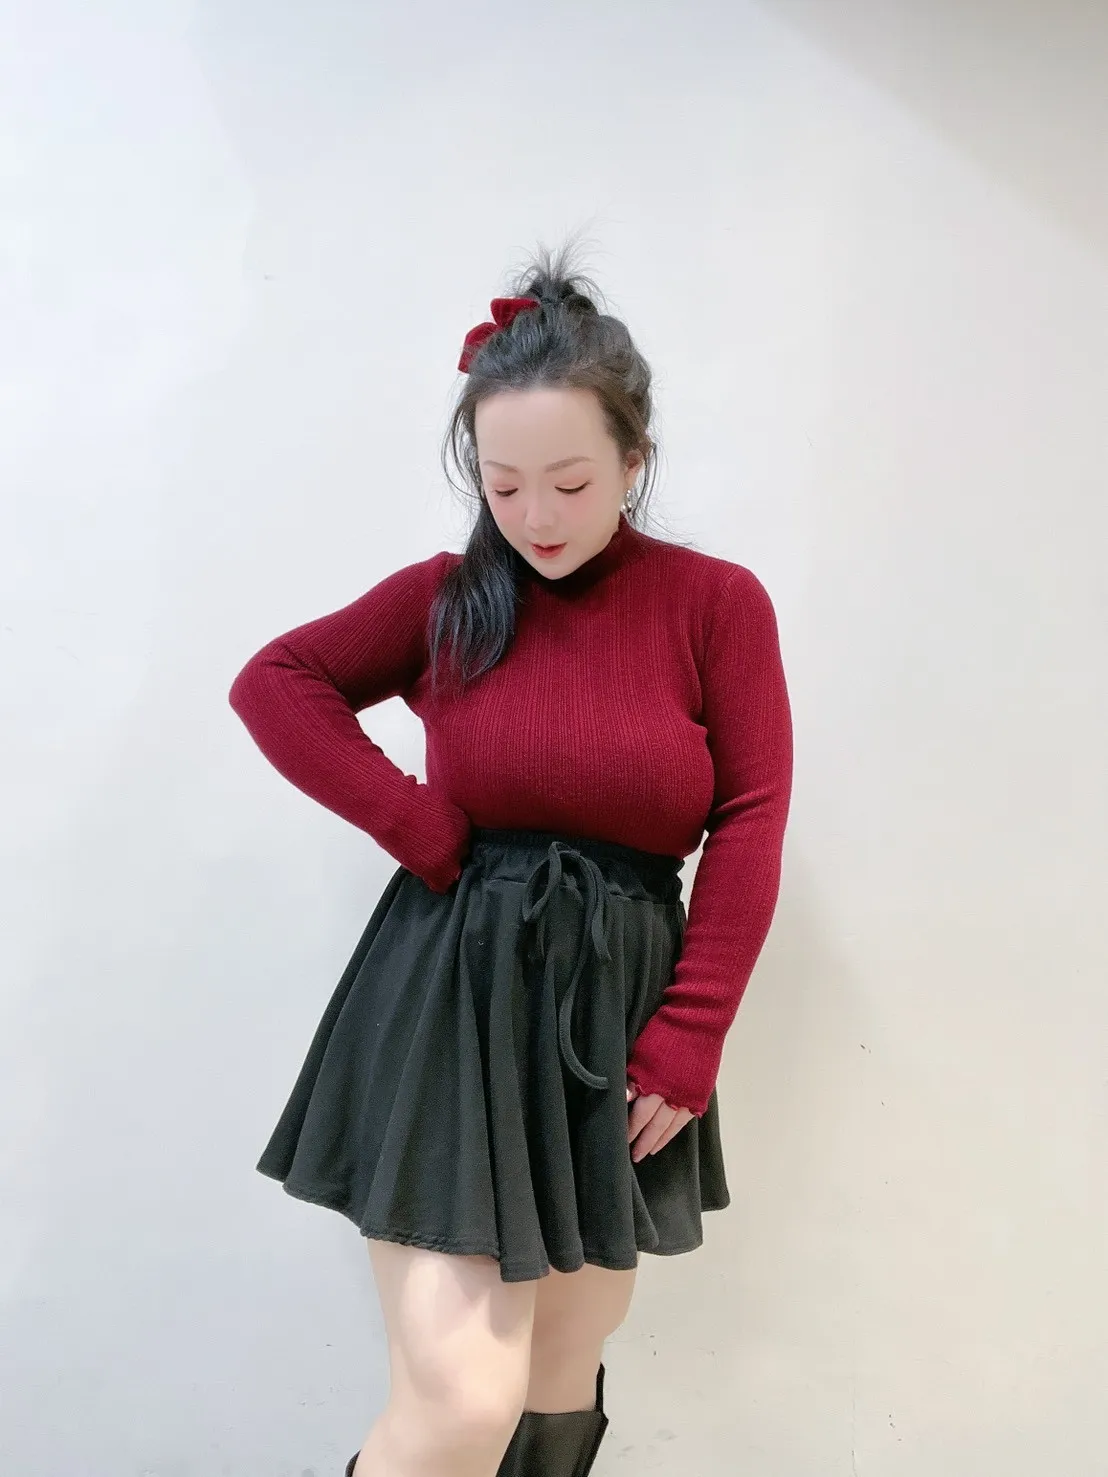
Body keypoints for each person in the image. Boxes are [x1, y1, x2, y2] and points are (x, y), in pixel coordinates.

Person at [228, 241, 794, 1477]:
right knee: (459, 1404)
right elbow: (278, 682)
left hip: (614, 1020)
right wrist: (417, 823)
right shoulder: (447, 598)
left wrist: (692, 1032)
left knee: (555, 1377)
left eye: (572, 482)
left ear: (635, 461)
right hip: (452, 1007)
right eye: (503, 485)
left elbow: (752, 814)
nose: (536, 518)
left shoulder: (715, 605)